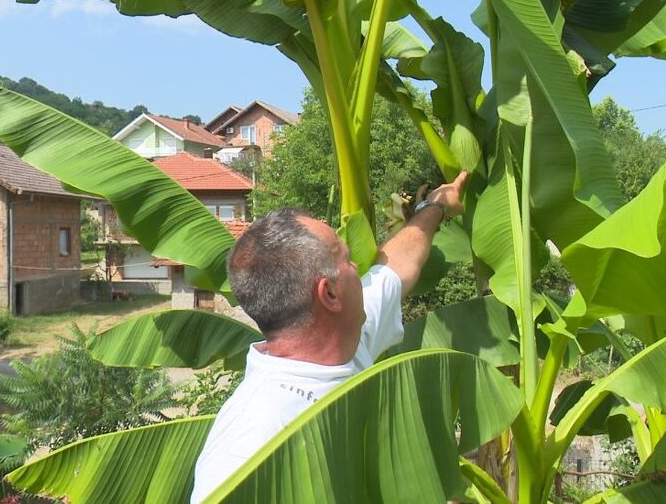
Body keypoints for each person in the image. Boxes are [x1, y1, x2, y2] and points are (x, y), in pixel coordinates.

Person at [190, 171, 469, 503]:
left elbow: (398, 264)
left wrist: (434, 206)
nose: (361, 269)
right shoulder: (251, 438)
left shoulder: (345, 343)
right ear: (330, 294)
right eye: (348, 259)